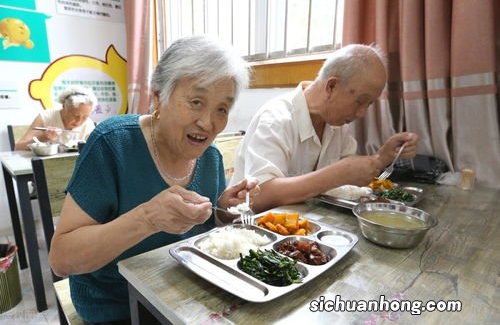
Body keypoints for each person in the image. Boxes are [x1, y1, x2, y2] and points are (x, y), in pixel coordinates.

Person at [48, 35, 257, 324]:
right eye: (196, 101)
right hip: (118, 306)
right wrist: (148, 218)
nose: (209, 123)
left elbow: (205, 232)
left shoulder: (211, 158)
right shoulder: (112, 144)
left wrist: (223, 210)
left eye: (222, 109)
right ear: (158, 96)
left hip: (187, 297)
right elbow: (61, 259)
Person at [230, 44, 419, 213]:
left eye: (369, 104)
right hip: (254, 231)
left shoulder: (336, 124)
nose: (361, 113)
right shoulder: (275, 120)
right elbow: (259, 196)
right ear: (331, 86)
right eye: (360, 101)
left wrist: (383, 157)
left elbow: (351, 175)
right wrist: (336, 175)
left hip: (308, 225)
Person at [15, 85, 97, 150]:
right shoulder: (46, 117)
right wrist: (43, 137)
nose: (79, 122)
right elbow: (18, 147)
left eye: (85, 117)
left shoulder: (88, 124)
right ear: (64, 107)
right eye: (76, 116)